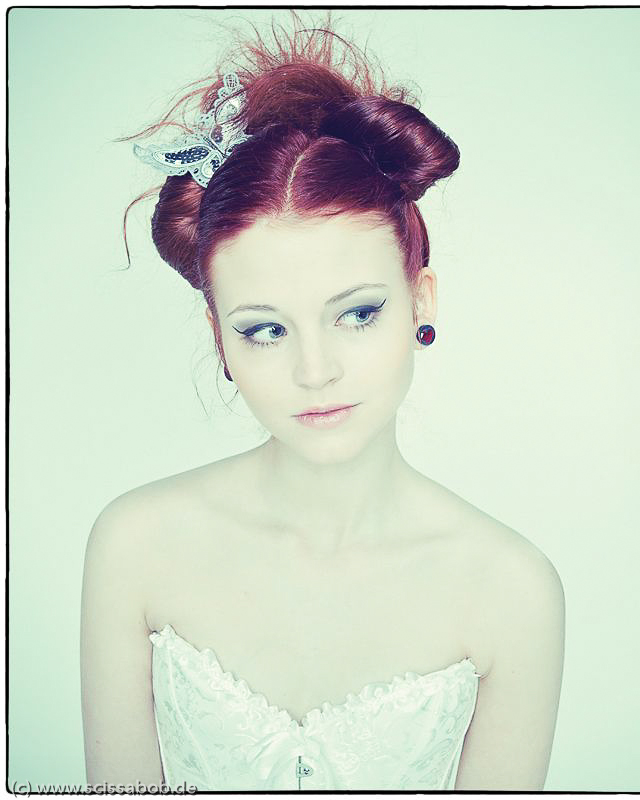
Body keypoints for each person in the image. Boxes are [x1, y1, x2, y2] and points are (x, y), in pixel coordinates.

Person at [80, 15, 565, 791]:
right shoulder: (133, 546)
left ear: (421, 302)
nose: (315, 370)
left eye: (358, 314)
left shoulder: (513, 590)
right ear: (220, 337)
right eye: (266, 329)